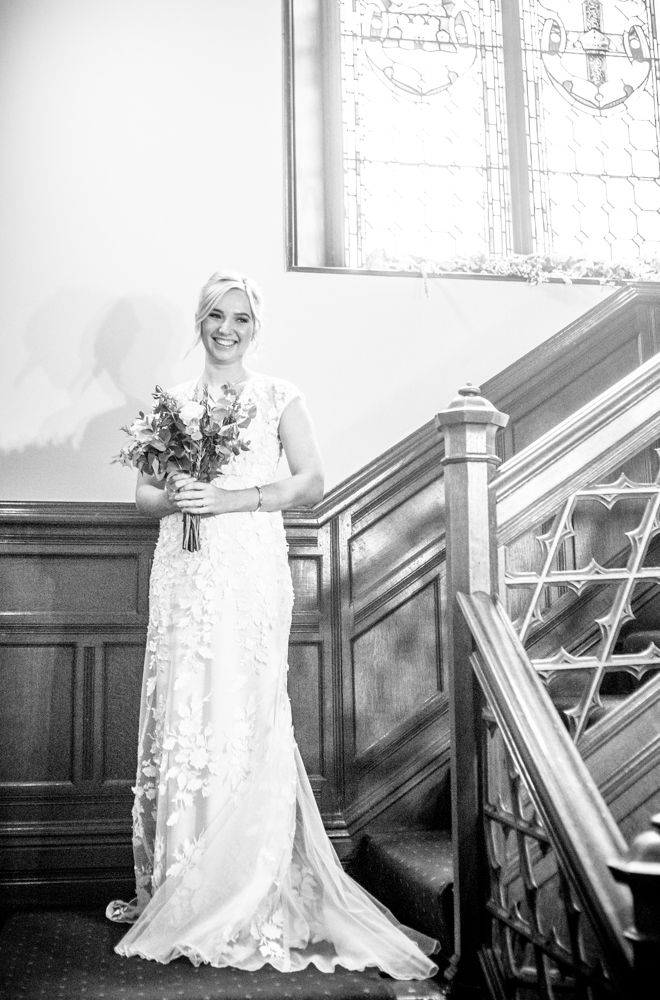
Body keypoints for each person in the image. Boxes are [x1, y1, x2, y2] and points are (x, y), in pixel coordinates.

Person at [106, 269, 438, 978]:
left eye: (241, 319)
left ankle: (245, 885)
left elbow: (310, 481)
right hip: (185, 576)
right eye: (217, 316)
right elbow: (142, 497)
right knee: (187, 719)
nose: (227, 329)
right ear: (200, 321)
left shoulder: (279, 396)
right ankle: (183, 883)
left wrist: (232, 498)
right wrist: (177, 496)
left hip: (250, 570)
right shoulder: (172, 403)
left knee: (242, 715)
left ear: (256, 328)